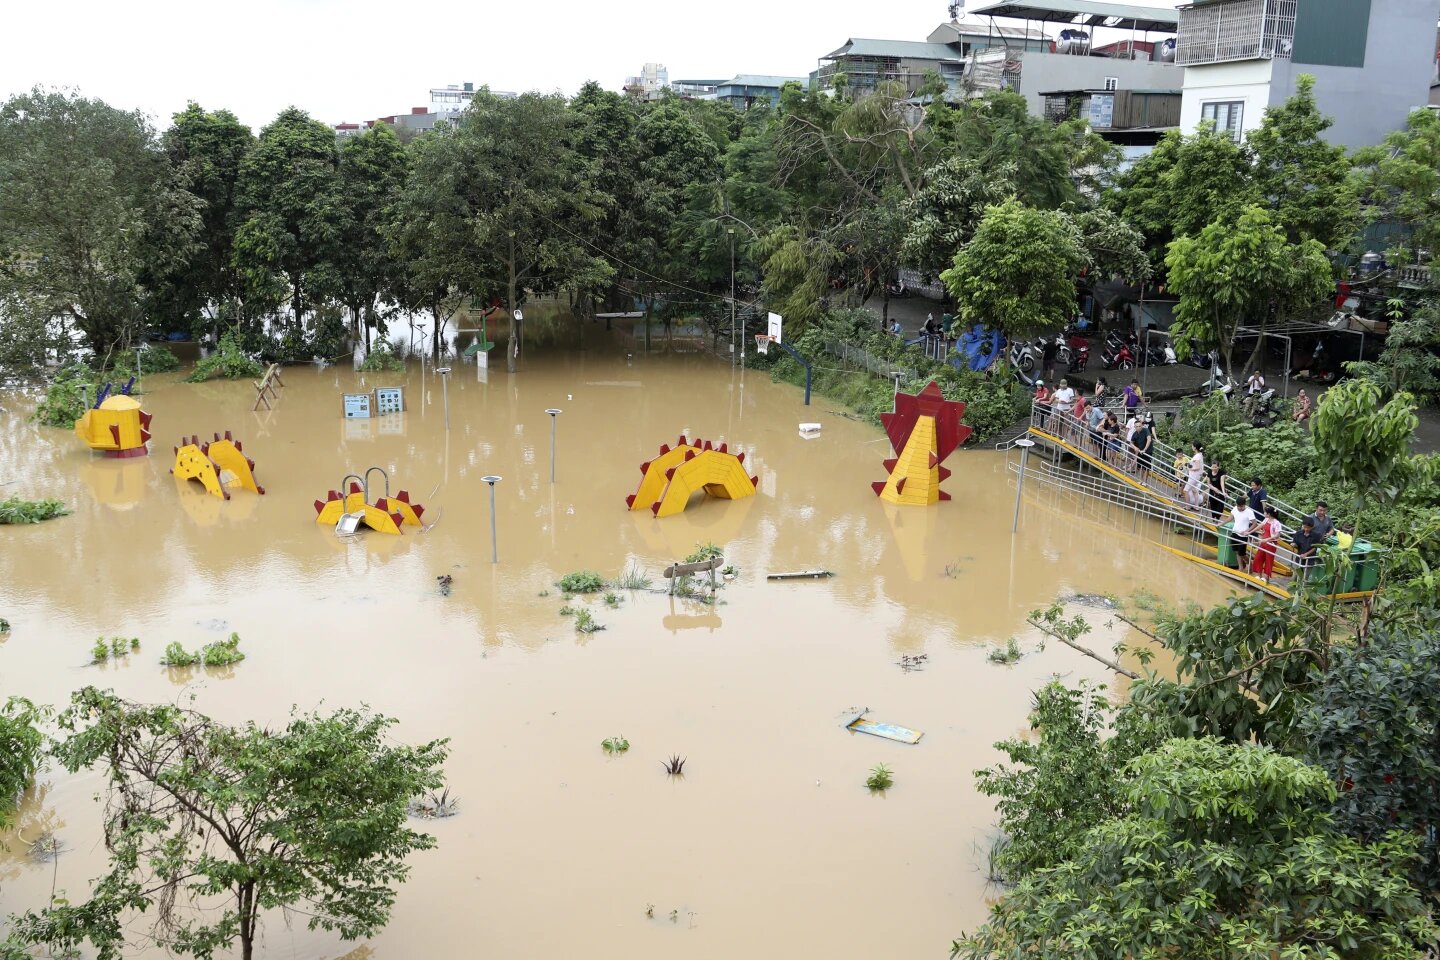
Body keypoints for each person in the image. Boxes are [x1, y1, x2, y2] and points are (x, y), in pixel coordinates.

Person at [1250, 505, 1283, 583]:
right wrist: (1250, 532)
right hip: (1263, 542)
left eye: (1265, 512)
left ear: (1269, 514)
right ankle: (1259, 575)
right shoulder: (1266, 519)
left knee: (1268, 560)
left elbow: (1277, 535)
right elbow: (1260, 526)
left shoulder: (1276, 523)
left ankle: (1266, 577)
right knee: (1258, 558)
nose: (1264, 513)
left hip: (1271, 544)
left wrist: (1267, 539)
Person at [1229, 494, 1257, 570]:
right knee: (1237, 551)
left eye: (1241, 506)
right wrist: (1220, 524)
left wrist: (1247, 531)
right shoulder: (1235, 509)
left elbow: (1255, 523)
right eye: (1238, 506)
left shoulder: (1249, 512)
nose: (1240, 508)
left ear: (1245, 505)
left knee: (1242, 553)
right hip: (1235, 532)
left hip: (1243, 535)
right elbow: (1229, 518)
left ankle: (1250, 563)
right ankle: (1240, 566)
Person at [1130, 414, 1155, 481]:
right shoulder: (1135, 433)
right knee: (1140, 467)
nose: (1138, 427)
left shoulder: (1146, 430)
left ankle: (1145, 481)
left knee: (1146, 467)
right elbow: (1131, 442)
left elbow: (1149, 439)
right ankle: (1141, 480)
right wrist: (1135, 447)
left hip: (1147, 452)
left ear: (1142, 426)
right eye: (1137, 426)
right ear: (1135, 427)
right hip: (1140, 452)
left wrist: (1145, 449)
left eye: (1140, 426)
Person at [1183, 442, 1206, 508]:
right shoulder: (1200, 454)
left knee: (1186, 490)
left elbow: (1198, 467)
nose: (1192, 447)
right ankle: (1196, 506)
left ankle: (1188, 506)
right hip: (1196, 477)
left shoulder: (1197, 456)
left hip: (1194, 477)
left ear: (1195, 447)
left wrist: (1190, 469)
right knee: (1194, 490)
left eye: (1192, 446)